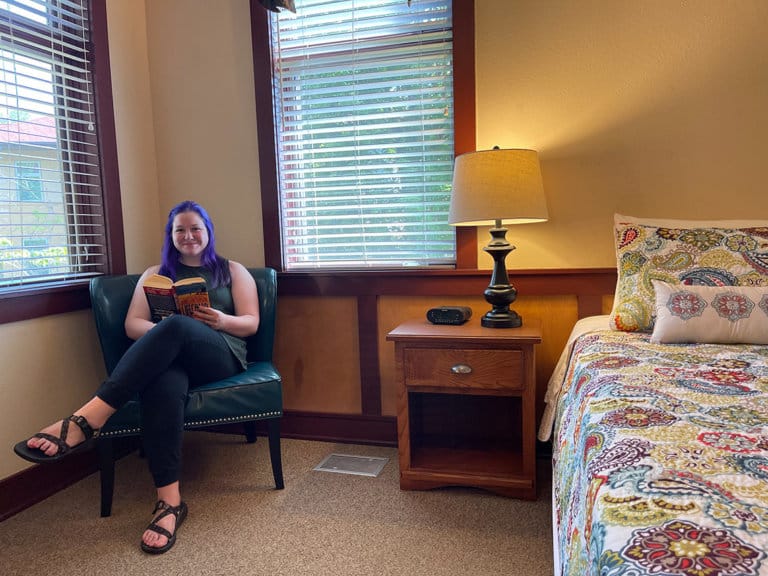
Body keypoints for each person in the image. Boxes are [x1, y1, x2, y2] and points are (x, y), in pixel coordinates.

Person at [13, 200, 260, 554]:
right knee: (163, 381)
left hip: (220, 354)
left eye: (195, 229)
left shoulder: (232, 271)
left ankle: (88, 418)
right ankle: (169, 503)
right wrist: (166, 337)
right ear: (170, 236)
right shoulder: (154, 275)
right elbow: (133, 325)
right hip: (171, 357)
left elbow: (251, 323)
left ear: (208, 232)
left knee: (177, 326)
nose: (188, 235)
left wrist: (218, 320)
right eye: (180, 230)